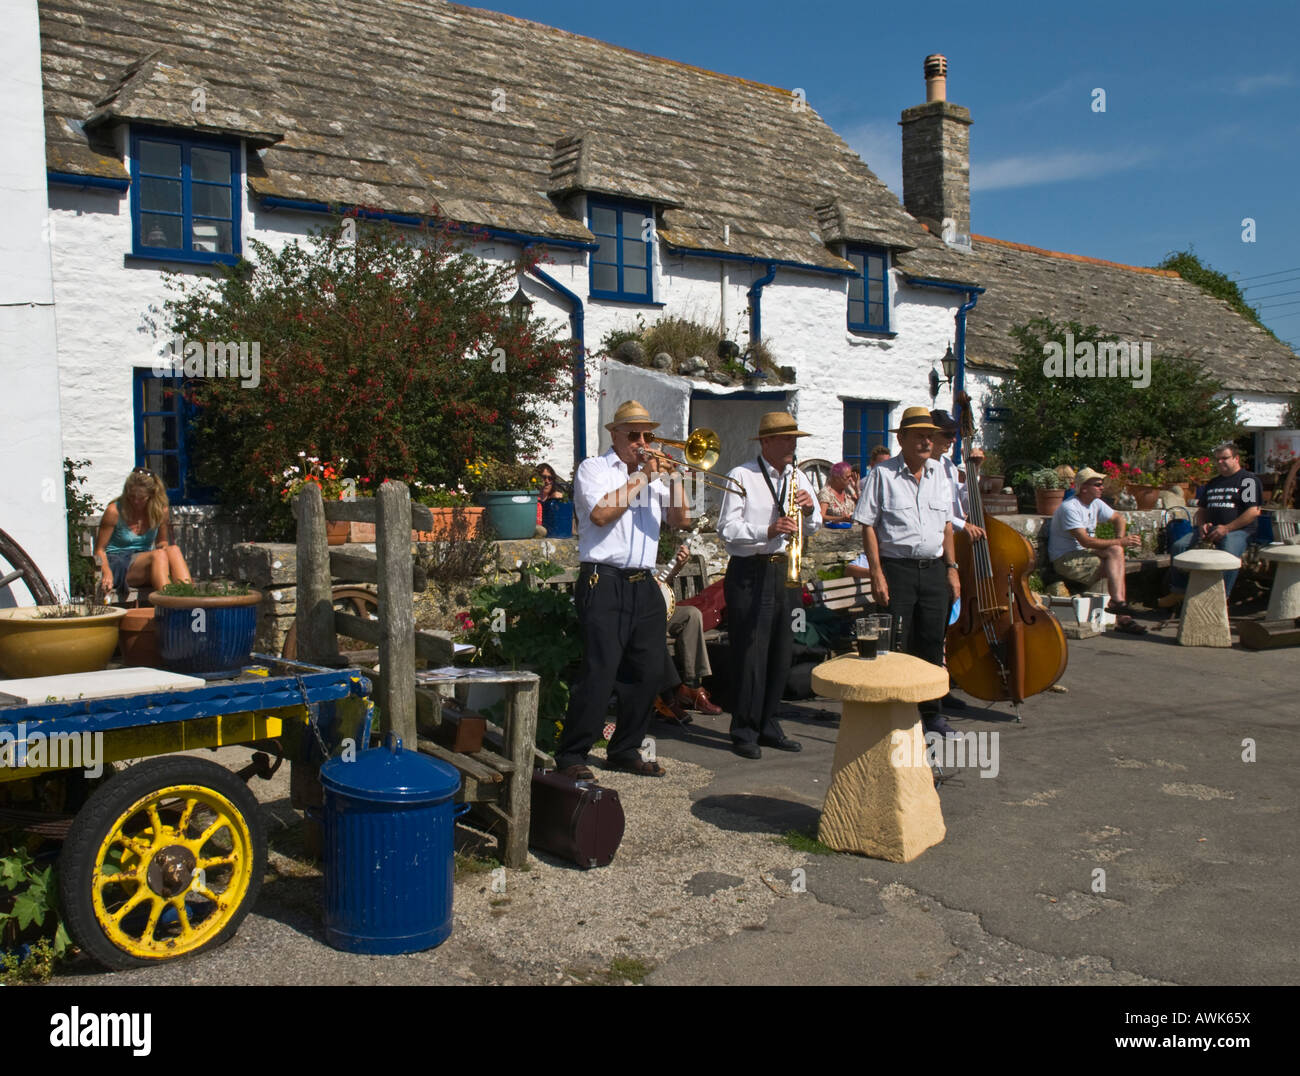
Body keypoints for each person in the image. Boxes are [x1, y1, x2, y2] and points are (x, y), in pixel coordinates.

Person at [554, 401, 689, 780]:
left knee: (646, 673)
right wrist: (643, 477)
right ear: (614, 435)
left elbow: (680, 522)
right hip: (604, 578)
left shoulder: (655, 476)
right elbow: (599, 514)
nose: (643, 442)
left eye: (648, 435)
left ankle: (625, 748)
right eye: (634, 435)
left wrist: (677, 480)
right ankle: (572, 753)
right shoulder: (594, 468)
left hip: (643, 582)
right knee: (600, 670)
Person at [717, 412, 821, 759]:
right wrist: (767, 530)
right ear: (766, 442)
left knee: (783, 649)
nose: (793, 445)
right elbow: (727, 529)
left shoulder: (798, 476)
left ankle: (768, 723)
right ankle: (743, 728)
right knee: (751, 651)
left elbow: (816, 525)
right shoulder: (742, 475)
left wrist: (808, 511)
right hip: (750, 570)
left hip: (785, 574)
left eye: (794, 439)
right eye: (786, 439)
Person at [854, 407, 961, 737]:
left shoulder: (940, 475)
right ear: (901, 439)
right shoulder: (883, 475)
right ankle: (894, 714)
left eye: (930, 435)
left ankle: (931, 714)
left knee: (931, 643)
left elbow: (946, 527)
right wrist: (876, 573)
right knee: (896, 645)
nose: (927, 441)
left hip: (933, 571)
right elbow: (868, 526)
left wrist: (953, 569)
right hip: (897, 569)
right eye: (919, 435)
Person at [1160, 442, 1261, 608]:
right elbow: (1202, 510)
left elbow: (1253, 512)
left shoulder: (1247, 481)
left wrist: (1227, 528)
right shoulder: (1213, 483)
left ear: (1236, 459)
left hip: (1238, 531)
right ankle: (1178, 591)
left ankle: (1221, 599)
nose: (1220, 462)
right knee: (1179, 546)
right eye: (1218, 459)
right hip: (1210, 529)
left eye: (1225, 458)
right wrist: (1201, 525)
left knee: (1228, 552)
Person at [1046, 467, 1145, 632]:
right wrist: (1121, 541)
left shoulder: (1095, 503)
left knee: (1116, 552)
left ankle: (1119, 605)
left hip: (1083, 554)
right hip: (1066, 559)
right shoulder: (1070, 508)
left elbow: (1118, 518)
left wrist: (1119, 542)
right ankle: (1122, 615)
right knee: (1114, 565)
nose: (1102, 487)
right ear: (1084, 488)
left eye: (1101, 484)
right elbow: (1085, 541)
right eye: (1097, 484)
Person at [94, 467, 192, 601]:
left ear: (152, 495)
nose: (135, 501)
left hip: (146, 561)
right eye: (131, 497)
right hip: (118, 562)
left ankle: (189, 603)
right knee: (158, 555)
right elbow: (99, 549)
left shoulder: (160, 511)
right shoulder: (114, 511)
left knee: (173, 550)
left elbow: (162, 542)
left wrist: (165, 551)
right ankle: (170, 606)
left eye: (141, 498)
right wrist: (106, 571)